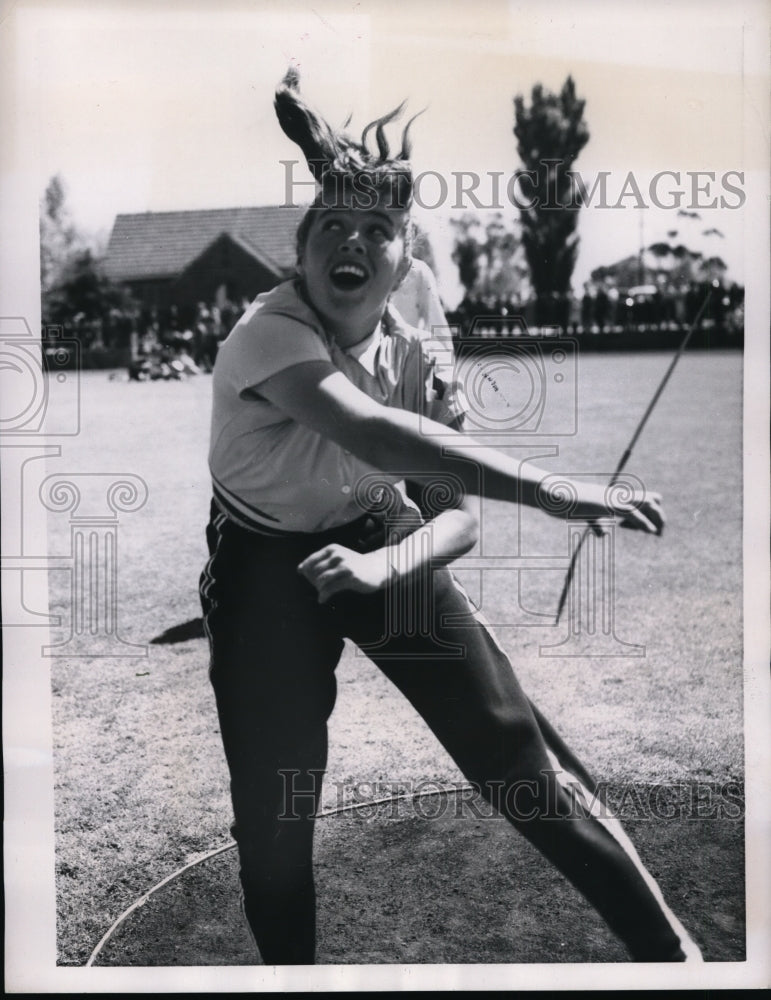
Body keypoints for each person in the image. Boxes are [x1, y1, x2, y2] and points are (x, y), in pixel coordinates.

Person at [199, 68, 702, 966]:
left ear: (403, 263)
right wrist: (558, 489)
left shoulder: (415, 331)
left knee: (517, 758)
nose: (352, 244)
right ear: (301, 248)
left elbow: (454, 518)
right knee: (276, 814)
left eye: (378, 232)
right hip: (262, 566)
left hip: (373, 536)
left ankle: (675, 960)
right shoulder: (267, 332)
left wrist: (381, 571)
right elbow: (381, 436)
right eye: (332, 228)